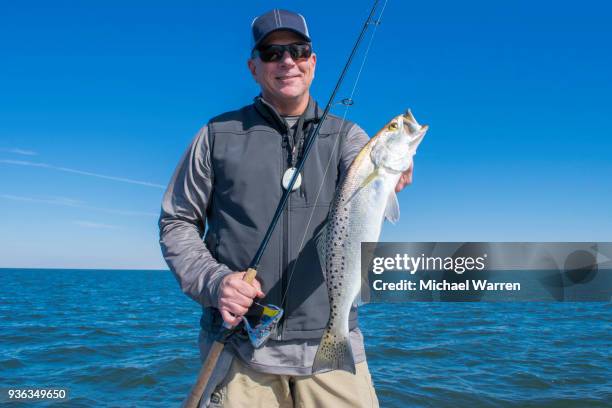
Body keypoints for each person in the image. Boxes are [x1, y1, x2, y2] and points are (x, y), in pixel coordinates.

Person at [159, 9, 413, 408]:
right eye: (272, 52)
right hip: (239, 345)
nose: (287, 61)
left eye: (298, 50)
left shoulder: (349, 137)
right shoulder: (215, 135)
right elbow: (177, 221)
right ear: (253, 66)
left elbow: (370, 183)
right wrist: (214, 282)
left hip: (330, 345)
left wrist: (391, 172)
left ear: (313, 61)